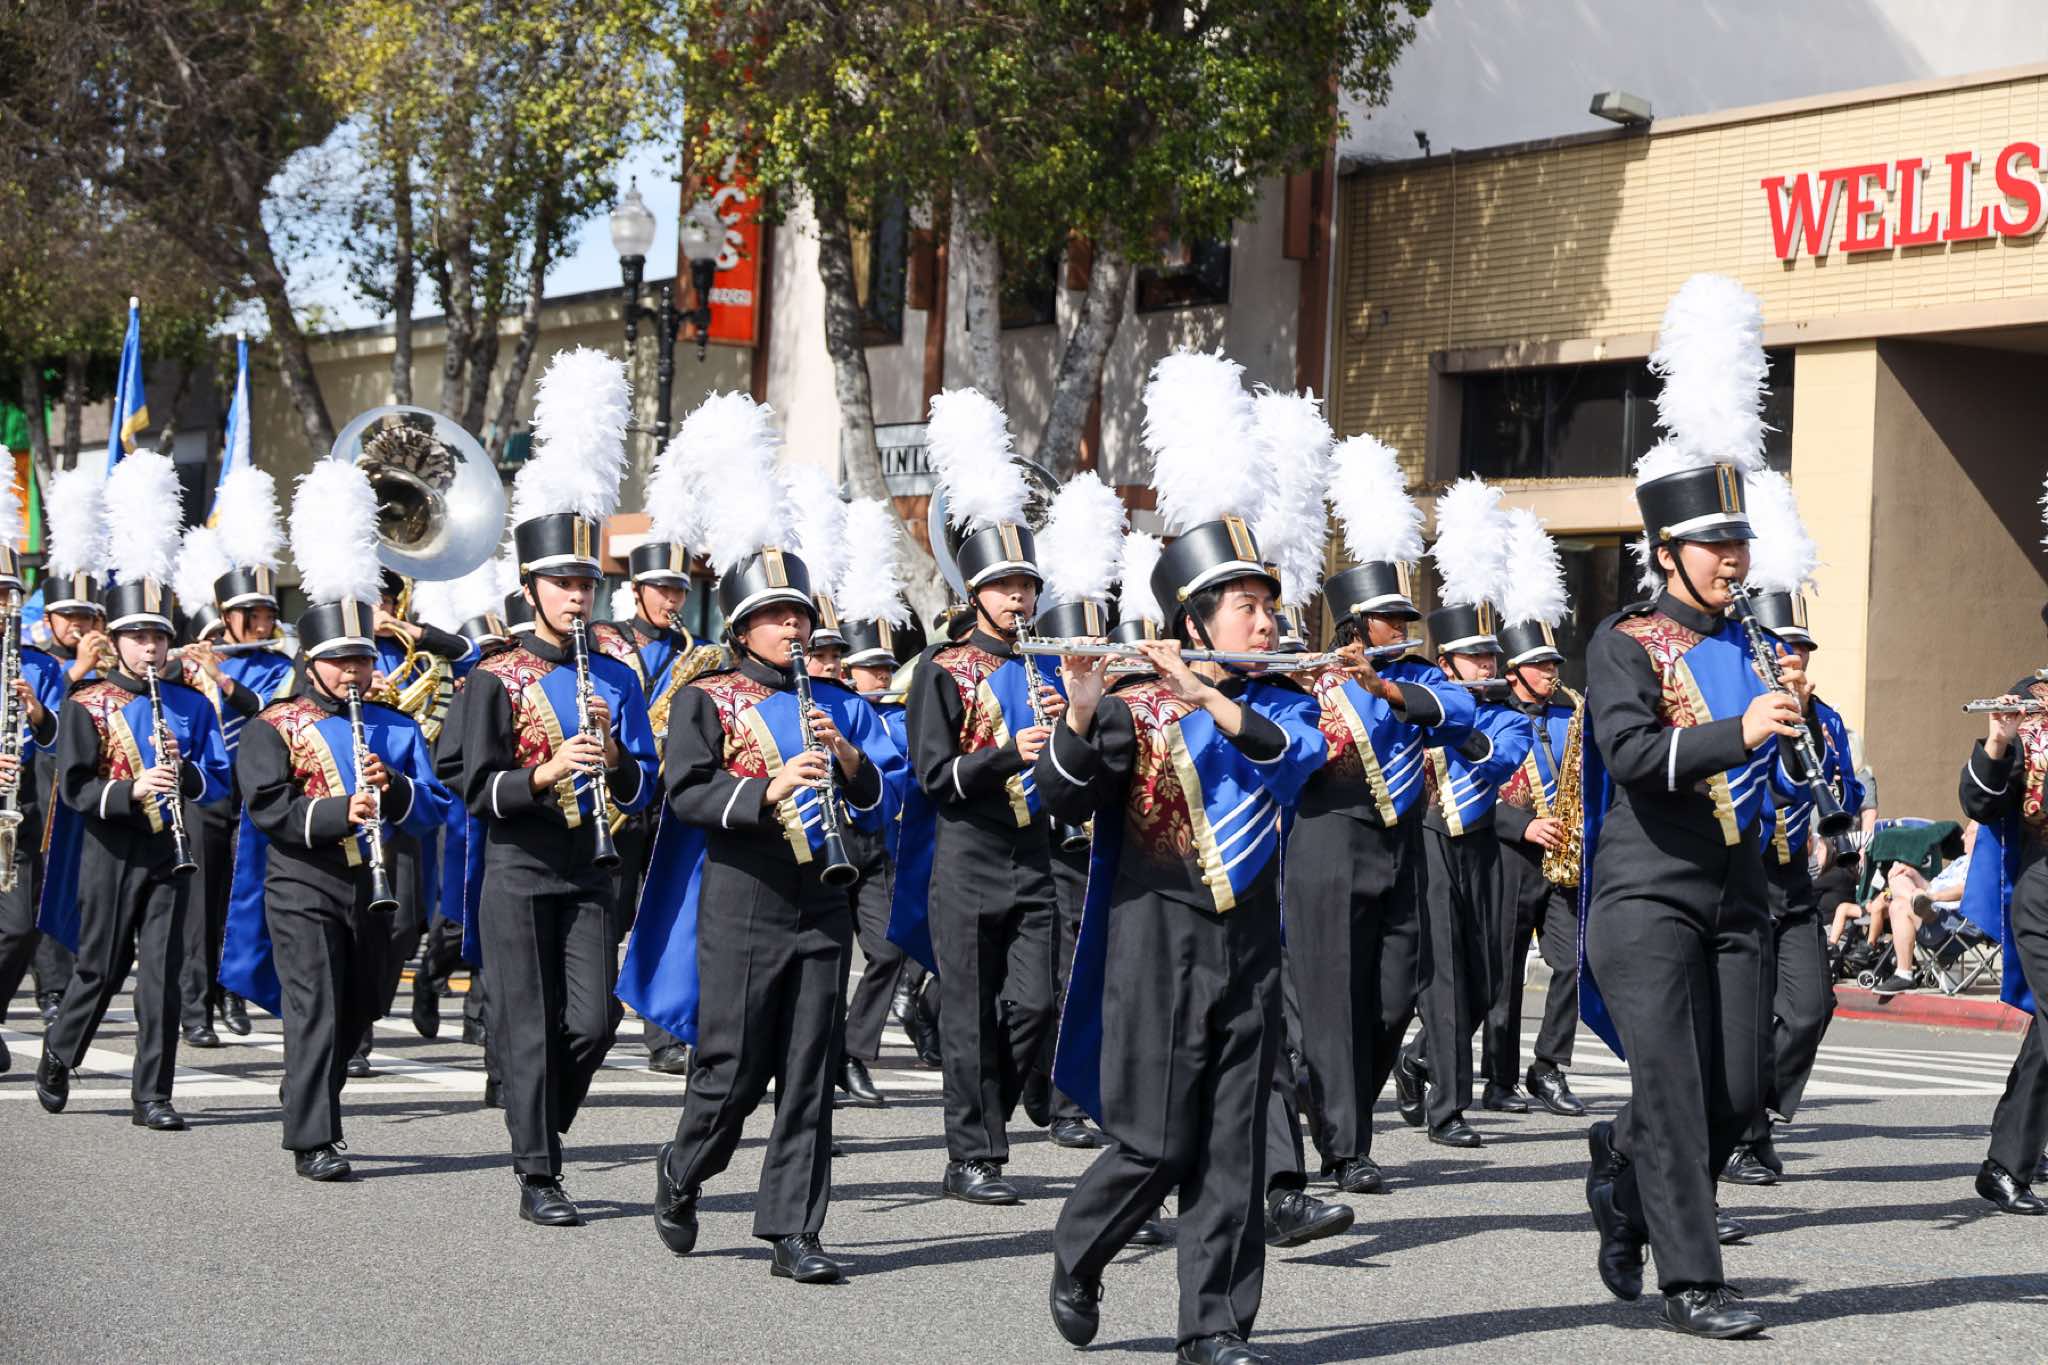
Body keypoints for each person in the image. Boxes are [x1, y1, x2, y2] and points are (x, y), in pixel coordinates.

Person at [1037, 344, 1329, 1365]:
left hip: (1249, 941)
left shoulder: (1281, 703)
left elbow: (1296, 765)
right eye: (1248, 605)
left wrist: (1212, 693)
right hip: (1155, 938)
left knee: (1233, 1144)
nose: (1268, 619)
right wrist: (1081, 713)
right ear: (1195, 618)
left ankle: (1213, 1327)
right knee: (1158, 1140)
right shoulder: (1131, 709)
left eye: (1267, 603)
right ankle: (1078, 1253)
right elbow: (1056, 802)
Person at [617, 393, 899, 1281]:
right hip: (742, 897)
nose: (795, 627)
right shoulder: (706, 697)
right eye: (778, 615)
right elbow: (687, 789)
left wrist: (845, 754)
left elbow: (880, 796)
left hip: (823, 898)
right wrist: (766, 787)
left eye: (801, 614)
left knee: (809, 1070)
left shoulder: (836, 701)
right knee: (733, 1069)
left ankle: (793, 1232)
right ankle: (682, 1167)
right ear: (742, 625)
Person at [1578, 273, 1804, 1339]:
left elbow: (1781, 771)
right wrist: (1738, 731)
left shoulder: (1752, 640)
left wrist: (1797, 738)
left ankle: (1621, 1175)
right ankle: (1693, 1282)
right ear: (1667, 553)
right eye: (1716, 546)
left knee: (1734, 1094)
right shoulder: (1623, 643)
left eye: (1739, 544)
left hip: (1737, 888)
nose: (1733, 560)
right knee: (1670, 1087)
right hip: (1646, 893)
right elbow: (1628, 753)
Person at [444, 348, 658, 1225]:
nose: (578, 595)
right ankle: (539, 1171)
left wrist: (614, 760)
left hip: (593, 866)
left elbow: (644, 780)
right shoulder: (492, 676)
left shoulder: (618, 675)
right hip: (519, 862)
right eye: (564, 583)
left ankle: (539, 1127)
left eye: (587, 583)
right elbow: (471, 782)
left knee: (593, 1021)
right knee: (528, 1021)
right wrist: (543, 771)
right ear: (531, 587)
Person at [225, 458, 454, 1179]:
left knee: (361, 1007)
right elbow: (269, 807)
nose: (355, 672)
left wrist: (393, 792)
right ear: (313, 662)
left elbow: (435, 803)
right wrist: (337, 810)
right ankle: (315, 1137)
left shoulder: (394, 725)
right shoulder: (274, 724)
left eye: (362, 659)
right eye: (341, 661)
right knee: (317, 1005)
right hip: (303, 882)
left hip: (374, 888)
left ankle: (310, 1093)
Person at [891, 388, 1061, 1206]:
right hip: (966, 854)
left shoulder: (1044, 664)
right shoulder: (942, 668)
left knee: (1034, 1002)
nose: (1019, 599)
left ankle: (988, 1113)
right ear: (975, 591)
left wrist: (1071, 727)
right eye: (1004, 586)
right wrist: (1005, 754)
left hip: (1033, 852)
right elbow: (935, 776)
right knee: (968, 1013)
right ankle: (972, 1154)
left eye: (1026, 585)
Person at [33, 451, 232, 1131]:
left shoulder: (191, 704)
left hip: (171, 850)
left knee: (163, 974)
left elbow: (218, 776)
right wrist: (132, 788)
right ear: (116, 642)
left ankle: (153, 1094)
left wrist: (184, 775)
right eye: (138, 637)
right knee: (101, 966)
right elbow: (76, 788)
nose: (150, 648)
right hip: (111, 849)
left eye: (158, 637)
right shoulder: (86, 704)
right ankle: (60, 1050)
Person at [1396, 480, 1534, 1148]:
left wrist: (1455, 718)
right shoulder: (1417, 696)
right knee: (1446, 976)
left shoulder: (1507, 714)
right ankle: (1448, 1109)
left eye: (1490, 655)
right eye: (1475, 656)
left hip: (1479, 845)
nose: (1488, 664)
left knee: (1486, 981)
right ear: (1446, 661)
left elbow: (1498, 759)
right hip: (1426, 842)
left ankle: (1418, 1057)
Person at [1725, 566, 1864, 1185]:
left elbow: (1847, 791)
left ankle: (1754, 1112)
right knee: (1749, 1018)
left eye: (1802, 648)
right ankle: (1741, 1138)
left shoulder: (1825, 718)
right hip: (1744, 873)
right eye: (1784, 647)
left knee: (1810, 1008)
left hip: (1795, 877)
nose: (1796, 658)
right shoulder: (1738, 710)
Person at [171, 471, 297, 1048]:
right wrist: (183, 667)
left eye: (268, 613)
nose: (264, 624)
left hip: (257, 793)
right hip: (207, 793)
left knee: (245, 900)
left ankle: (234, 990)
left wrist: (223, 681)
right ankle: (194, 1006)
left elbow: (274, 712)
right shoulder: (198, 658)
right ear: (227, 618)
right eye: (253, 615)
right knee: (202, 902)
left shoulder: (278, 666)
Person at [593, 537, 724, 1074]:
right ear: (637, 589)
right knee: (609, 912)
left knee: (668, 912)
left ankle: (663, 1033)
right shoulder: (601, 640)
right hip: (615, 791)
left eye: (679, 591)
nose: (672, 600)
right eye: (662, 589)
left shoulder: (699, 653)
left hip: (670, 797)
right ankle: (593, 1013)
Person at [1486, 511, 1590, 1120]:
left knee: (1571, 961)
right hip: (1510, 852)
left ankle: (1548, 1066)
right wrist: (1521, 824)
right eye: (1541, 665)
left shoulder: (1571, 712)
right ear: (1514, 670)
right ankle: (1497, 1079)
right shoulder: (1489, 713)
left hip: (1561, 857)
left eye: (1554, 664)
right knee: (1501, 973)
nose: (1553, 672)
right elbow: (1466, 788)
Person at [830, 498, 923, 1110]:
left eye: (887, 666)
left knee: (887, 951)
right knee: (830, 960)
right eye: (870, 667)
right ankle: (821, 1061)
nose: (882, 676)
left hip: (879, 846)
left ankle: (855, 1053)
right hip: (828, 839)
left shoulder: (897, 715)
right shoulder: (835, 705)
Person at [19, 467, 113, 1024]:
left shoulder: (107, 659)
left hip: (90, 784)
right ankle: (50, 987)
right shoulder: (39, 659)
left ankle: (73, 981)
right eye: (70, 616)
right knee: (40, 884)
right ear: (49, 618)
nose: (80, 625)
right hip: (37, 785)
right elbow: (47, 720)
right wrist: (76, 670)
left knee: (77, 883)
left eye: (87, 616)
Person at [1957, 680, 2048, 1215]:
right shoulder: (2033, 700)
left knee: (2045, 1034)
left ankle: (2007, 1163)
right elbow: (1979, 803)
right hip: (2043, 889)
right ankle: (2008, 1163)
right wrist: (1998, 741)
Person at [0, 467, 68, 1074]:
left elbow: (61, 740)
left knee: (19, 927)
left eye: (6, 595)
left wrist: (39, 715)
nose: (1, 606)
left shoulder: (39, 666)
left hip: (14, 811)